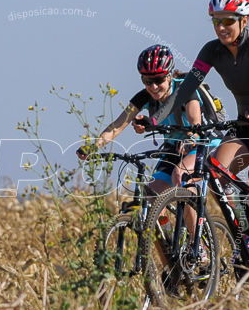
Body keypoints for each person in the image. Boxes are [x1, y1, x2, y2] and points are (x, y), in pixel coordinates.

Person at [156, 0, 249, 274]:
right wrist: (155, 118)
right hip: (247, 124)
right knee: (216, 174)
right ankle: (246, 234)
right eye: (216, 21)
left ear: (244, 20)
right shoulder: (212, 50)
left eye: (228, 21)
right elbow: (184, 88)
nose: (221, 27)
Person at [76, 44, 203, 196]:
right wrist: (93, 147)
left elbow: (195, 121)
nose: (154, 87)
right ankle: (160, 221)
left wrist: (191, 138)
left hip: (201, 142)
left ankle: (196, 220)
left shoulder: (185, 90)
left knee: (180, 175)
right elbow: (117, 125)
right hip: (174, 147)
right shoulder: (144, 97)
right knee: (151, 193)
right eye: (148, 81)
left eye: (159, 79)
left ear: (169, 76)